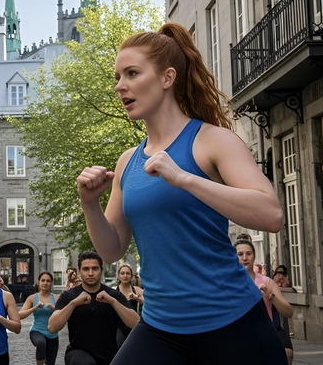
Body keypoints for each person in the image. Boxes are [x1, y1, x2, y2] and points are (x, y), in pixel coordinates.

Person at [77, 23, 287, 364]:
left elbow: (272, 214)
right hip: (161, 327)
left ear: (166, 78)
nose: (120, 86)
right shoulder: (128, 161)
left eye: (132, 73)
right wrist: (90, 204)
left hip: (232, 323)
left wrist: (186, 179)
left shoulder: (212, 140)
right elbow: (112, 249)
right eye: (118, 76)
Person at [48, 251, 138, 365]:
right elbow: (52, 327)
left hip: (109, 355)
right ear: (79, 271)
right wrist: (73, 304)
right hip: (78, 353)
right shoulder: (69, 296)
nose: (90, 273)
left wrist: (112, 302)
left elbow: (136, 322)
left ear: (101, 270)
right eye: (86, 269)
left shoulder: (113, 295)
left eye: (95, 268)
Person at [236, 239, 294, 365]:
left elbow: (288, 312)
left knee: (287, 353)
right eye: (240, 254)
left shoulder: (266, 282)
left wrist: (271, 296)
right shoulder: (227, 283)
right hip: (239, 332)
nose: (244, 258)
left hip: (266, 329)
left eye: (248, 253)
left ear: (254, 256)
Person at [19, 271, 58, 365]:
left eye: (48, 281)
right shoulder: (32, 298)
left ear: (51, 283)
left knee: (51, 362)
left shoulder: (57, 298)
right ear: (38, 282)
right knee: (41, 343)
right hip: (37, 331)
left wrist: (54, 308)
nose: (45, 283)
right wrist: (35, 307)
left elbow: (63, 316)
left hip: (53, 333)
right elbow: (20, 315)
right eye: (43, 280)